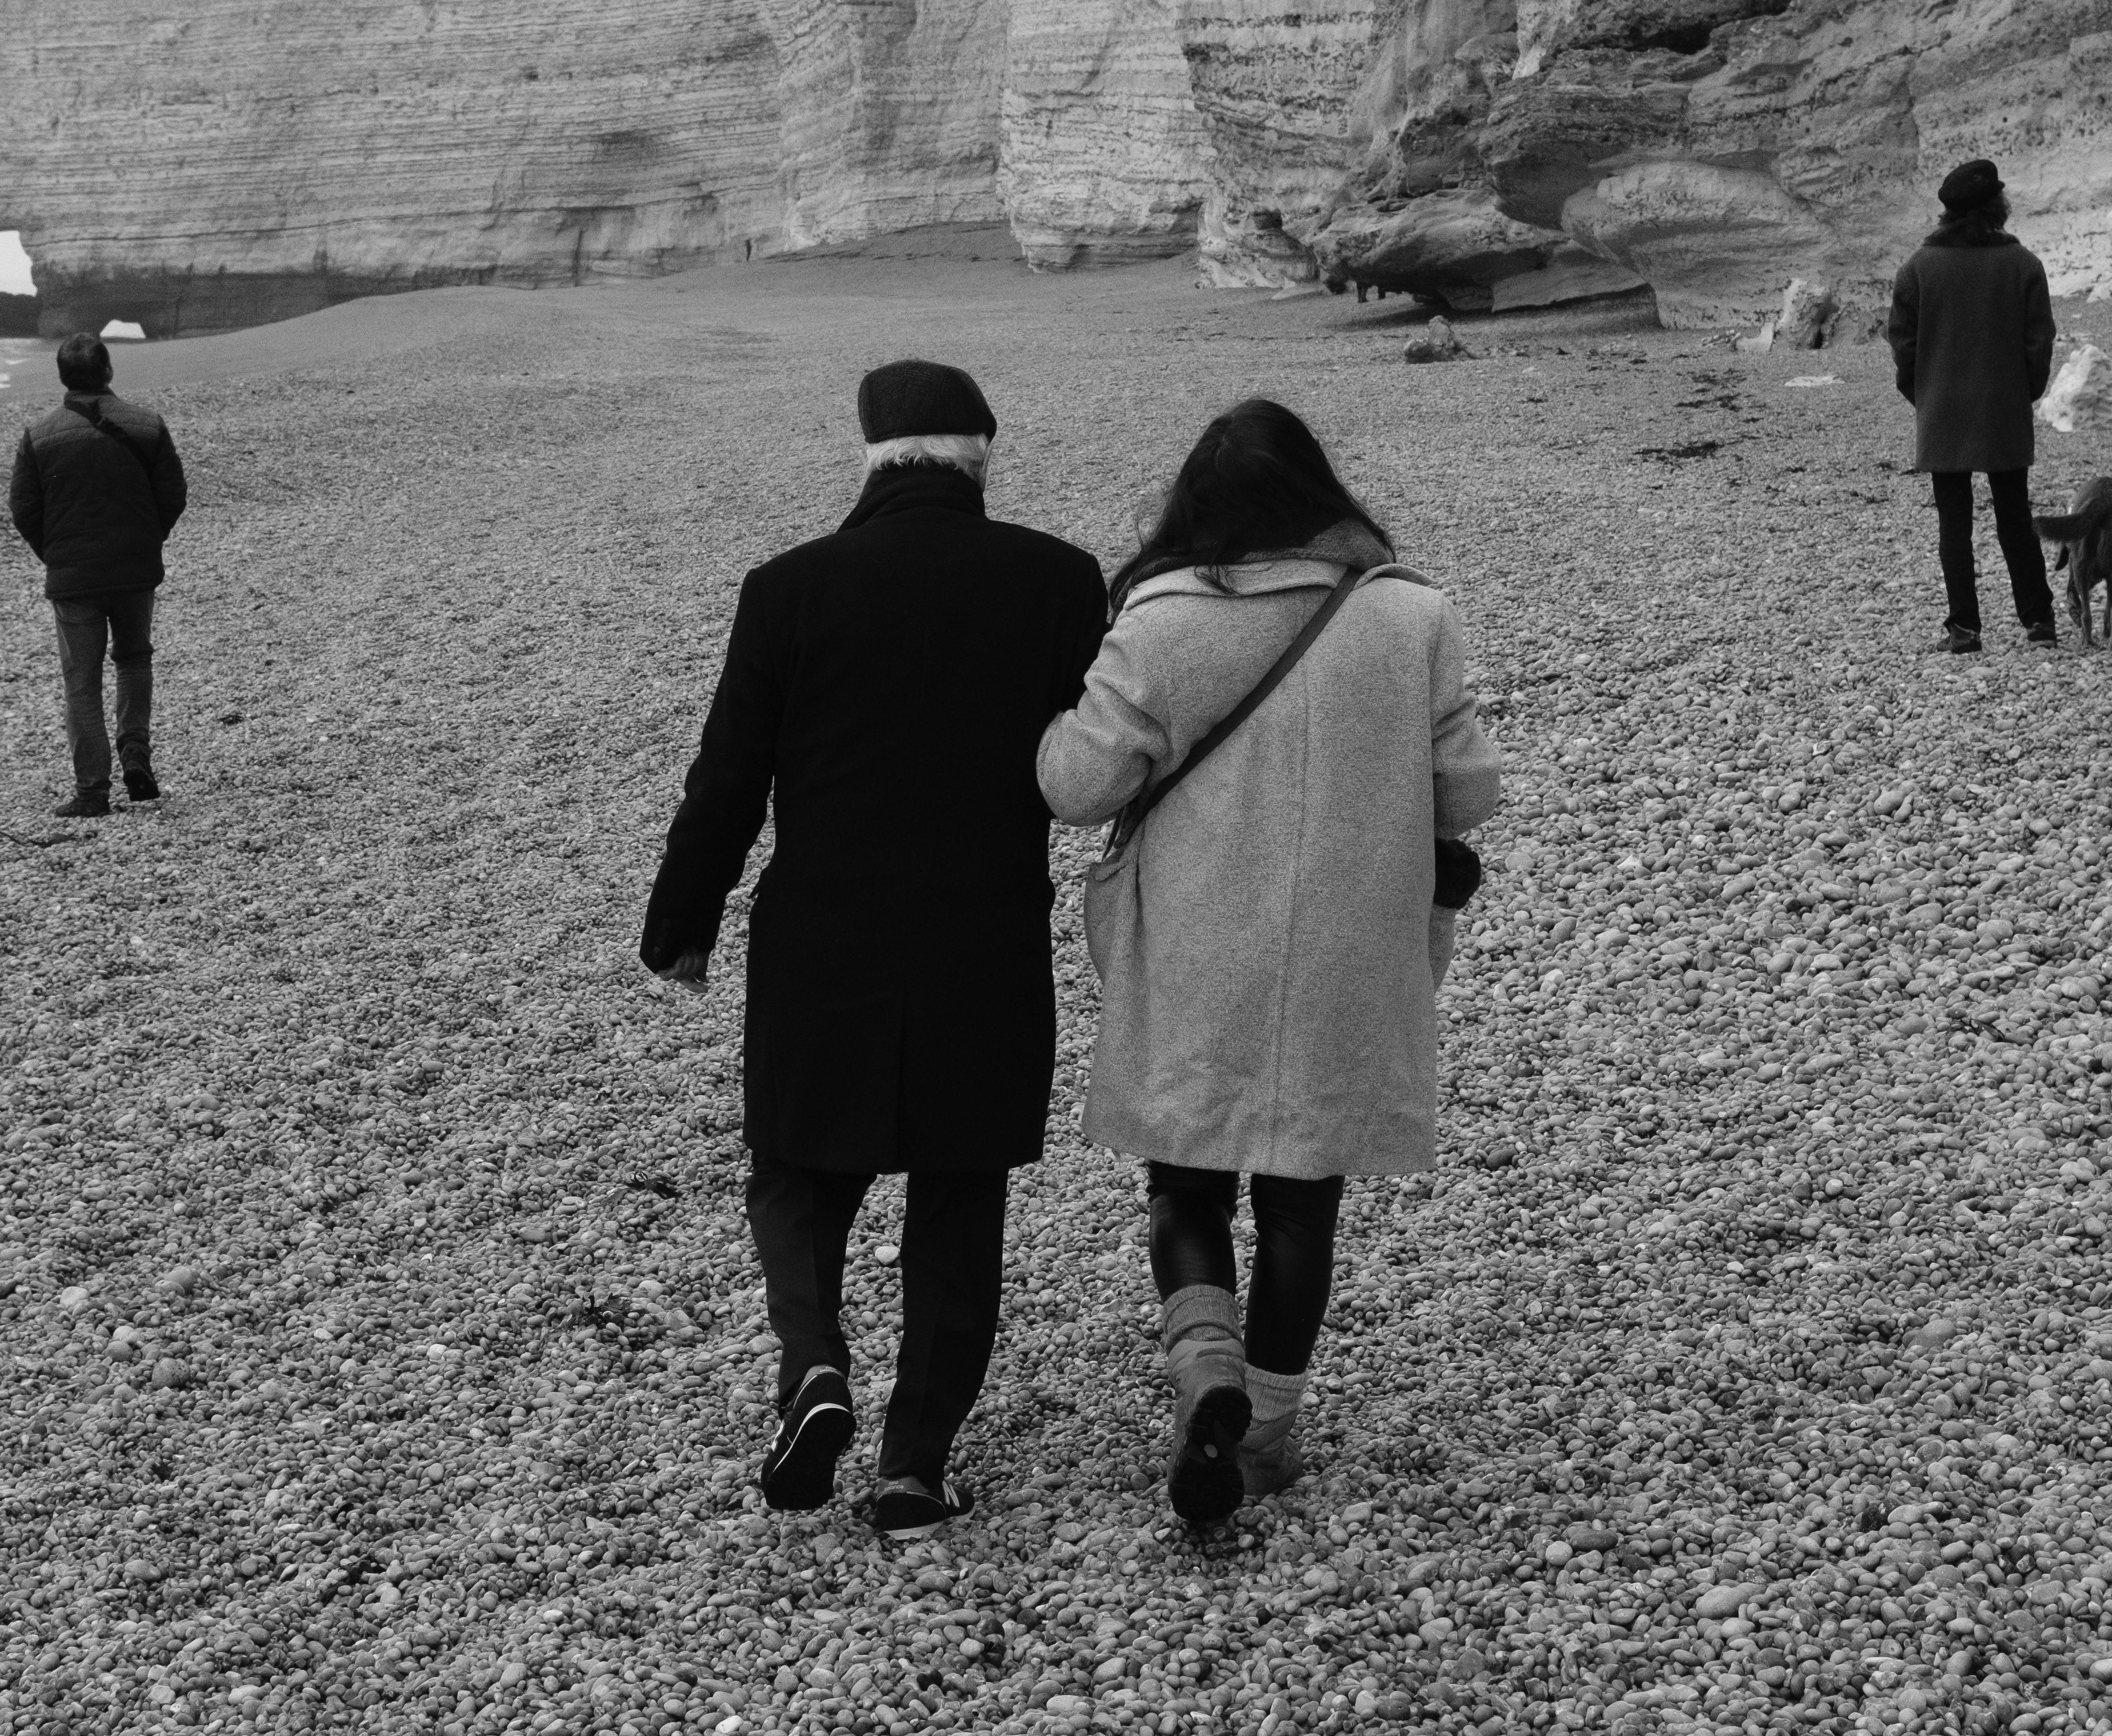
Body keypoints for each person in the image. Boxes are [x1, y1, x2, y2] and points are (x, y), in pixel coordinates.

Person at [638, 361, 1106, 1540]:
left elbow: (731, 775)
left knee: (796, 1168)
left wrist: (683, 924)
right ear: (981, 454)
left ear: (870, 454)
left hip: (825, 932)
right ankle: (912, 1465)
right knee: (959, 1191)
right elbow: (1093, 768)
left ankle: (813, 1366)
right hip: (982, 933)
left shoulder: (789, 588)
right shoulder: (1057, 580)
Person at [1037, 400, 1500, 1529]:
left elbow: (1075, 787)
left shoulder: (1158, 618)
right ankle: (1271, 1436)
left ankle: (1208, 1371)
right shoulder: (1410, 615)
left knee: (1186, 1174)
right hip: (1350, 943)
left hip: (1198, 937)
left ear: (1195, 505)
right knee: (1304, 1199)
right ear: (1322, 493)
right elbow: (1469, 792)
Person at [8, 333, 188, 817]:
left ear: (63, 378)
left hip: (74, 578)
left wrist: (56, 554)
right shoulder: (147, 424)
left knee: (81, 682)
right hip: (135, 570)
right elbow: (172, 495)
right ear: (108, 372)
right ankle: (136, 756)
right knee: (134, 660)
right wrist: (148, 542)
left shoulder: (40, 433)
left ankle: (92, 792)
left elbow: (24, 509)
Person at [1888, 158, 2060, 653]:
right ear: (1997, 207)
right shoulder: (2023, 264)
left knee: (1954, 523)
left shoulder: (1918, 268)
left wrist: (1922, 395)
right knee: (2014, 517)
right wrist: (2023, 392)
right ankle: (2040, 620)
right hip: (2004, 407)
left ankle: (1964, 629)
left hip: (1942, 408)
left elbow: (1902, 345)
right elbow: (2039, 341)